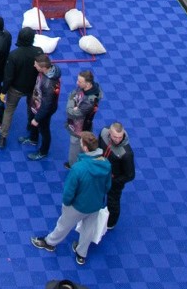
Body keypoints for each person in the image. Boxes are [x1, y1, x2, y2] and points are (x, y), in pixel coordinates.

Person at [32, 131, 112, 267]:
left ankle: (50, 242)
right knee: (88, 229)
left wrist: (67, 204)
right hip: (95, 204)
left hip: (78, 206)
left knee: (63, 225)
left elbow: (69, 191)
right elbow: (107, 187)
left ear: (85, 148)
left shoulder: (78, 168)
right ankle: (81, 254)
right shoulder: (106, 164)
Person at [0, 25, 40, 147]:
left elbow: (8, 76)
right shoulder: (38, 51)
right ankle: (31, 125)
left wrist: (3, 92)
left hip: (15, 88)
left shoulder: (14, 55)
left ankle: (3, 137)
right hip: (33, 88)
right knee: (32, 108)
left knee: (9, 111)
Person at [20, 54, 61, 160]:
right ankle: (33, 139)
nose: (34, 65)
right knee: (34, 123)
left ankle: (43, 151)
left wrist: (38, 118)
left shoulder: (48, 84)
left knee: (44, 130)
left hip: (44, 110)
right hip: (36, 105)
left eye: (36, 64)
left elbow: (47, 104)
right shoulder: (45, 72)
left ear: (43, 68)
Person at [99, 122, 136, 229]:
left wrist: (114, 181)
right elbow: (98, 147)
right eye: (115, 136)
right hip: (101, 172)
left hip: (114, 181)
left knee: (113, 202)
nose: (117, 139)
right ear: (109, 133)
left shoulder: (127, 153)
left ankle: (111, 223)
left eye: (120, 137)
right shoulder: (103, 133)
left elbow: (130, 175)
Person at [65, 70, 103, 166]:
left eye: (80, 82)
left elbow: (71, 113)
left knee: (75, 144)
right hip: (83, 123)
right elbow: (73, 93)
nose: (77, 83)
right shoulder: (90, 87)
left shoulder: (89, 101)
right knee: (82, 143)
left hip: (80, 126)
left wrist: (71, 104)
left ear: (88, 84)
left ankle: (72, 165)